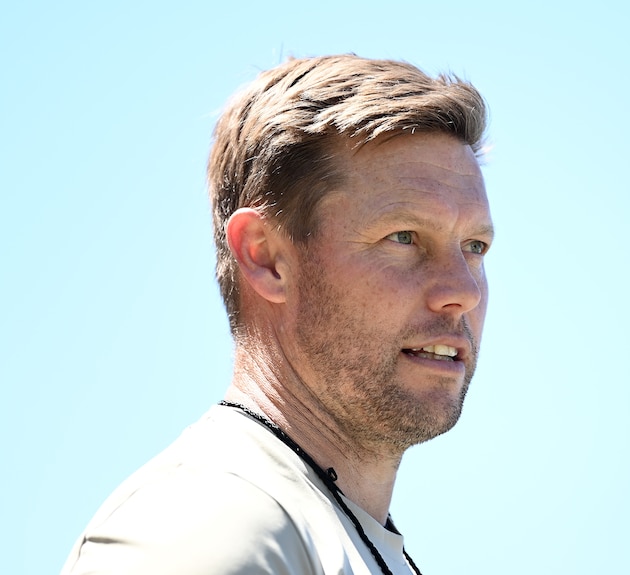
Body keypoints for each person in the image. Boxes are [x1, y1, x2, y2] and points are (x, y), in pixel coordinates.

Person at [61, 54, 493, 575]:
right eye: (403, 238)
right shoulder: (206, 525)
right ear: (266, 257)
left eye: (474, 246)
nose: (462, 291)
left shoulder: (317, 533)